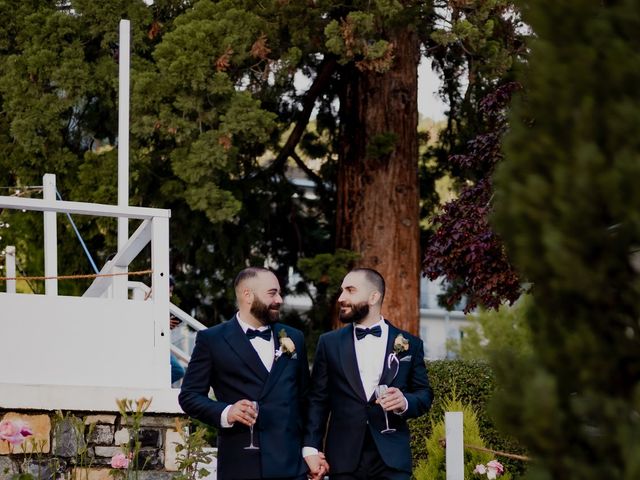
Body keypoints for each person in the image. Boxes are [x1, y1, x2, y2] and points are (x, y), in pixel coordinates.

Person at [179, 267, 325, 480]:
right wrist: (226, 412)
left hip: (290, 465)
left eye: (279, 293)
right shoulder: (212, 340)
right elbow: (189, 396)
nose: (280, 299)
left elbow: (307, 400)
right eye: (272, 293)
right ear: (248, 295)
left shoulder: (295, 337)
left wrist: (310, 449)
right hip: (240, 463)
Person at [303, 268, 433, 480]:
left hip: (392, 460)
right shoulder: (329, 343)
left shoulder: (410, 344)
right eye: (341, 291)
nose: (341, 298)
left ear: (374, 297)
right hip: (343, 460)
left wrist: (405, 402)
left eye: (350, 290)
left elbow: (424, 394)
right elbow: (318, 401)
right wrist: (310, 449)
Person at [169, 275, 186, 385]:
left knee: (179, 370)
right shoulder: (146, 302)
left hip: (161, 347)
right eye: (169, 291)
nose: (170, 295)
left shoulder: (165, 306)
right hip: (152, 347)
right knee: (178, 370)